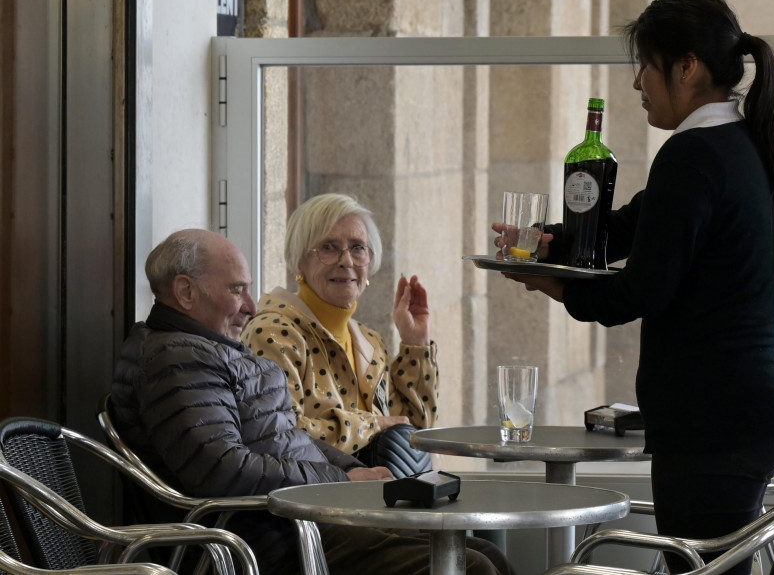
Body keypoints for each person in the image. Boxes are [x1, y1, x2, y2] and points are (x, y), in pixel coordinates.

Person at [495, 0, 774, 575]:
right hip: (738, 412)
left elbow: (638, 292)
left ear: (687, 68)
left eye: (646, 64)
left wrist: (549, 283)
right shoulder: (736, 144)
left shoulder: (694, 154)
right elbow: (631, 227)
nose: (638, 82)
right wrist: (548, 242)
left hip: (714, 421)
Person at [110, 228, 514, 575]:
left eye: (359, 248)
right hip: (266, 539)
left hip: (298, 519)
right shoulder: (178, 359)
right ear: (185, 291)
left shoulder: (206, 348)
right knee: (470, 565)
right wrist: (341, 482)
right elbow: (221, 470)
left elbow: (289, 434)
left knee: (482, 551)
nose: (251, 306)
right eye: (238, 290)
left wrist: (357, 476)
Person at [240, 193, 438, 460]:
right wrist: (372, 425)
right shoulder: (273, 334)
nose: (346, 261)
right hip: (317, 498)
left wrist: (416, 342)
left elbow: (413, 436)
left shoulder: (370, 342)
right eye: (329, 248)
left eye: (358, 248)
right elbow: (281, 437)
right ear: (300, 261)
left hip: (376, 495)